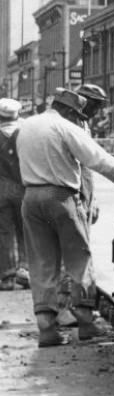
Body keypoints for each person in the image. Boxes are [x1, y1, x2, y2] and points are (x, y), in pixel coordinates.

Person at [16, 88, 114, 347]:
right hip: (60, 198)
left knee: (42, 262)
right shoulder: (65, 127)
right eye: (78, 114)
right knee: (79, 259)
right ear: (68, 110)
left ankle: (46, 329)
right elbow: (97, 159)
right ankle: (86, 323)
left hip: (31, 199)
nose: (80, 119)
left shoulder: (27, 125)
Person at [0, 98, 30, 292]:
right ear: (17, 114)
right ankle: (25, 272)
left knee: (4, 233)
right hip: (24, 188)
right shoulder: (26, 133)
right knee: (26, 231)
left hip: (1, 188)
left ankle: (7, 276)